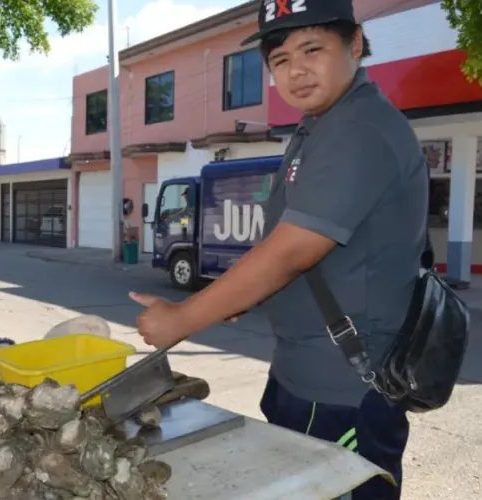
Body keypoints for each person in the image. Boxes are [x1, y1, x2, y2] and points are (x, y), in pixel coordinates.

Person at [129, 0, 428, 498]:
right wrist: (240, 294)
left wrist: (181, 320)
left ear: (354, 43)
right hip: (302, 379)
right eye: (280, 60)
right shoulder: (321, 126)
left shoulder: (359, 130)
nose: (296, 72)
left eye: (312, 49)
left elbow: (292, 251)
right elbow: (290, 248)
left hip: (343, 392)